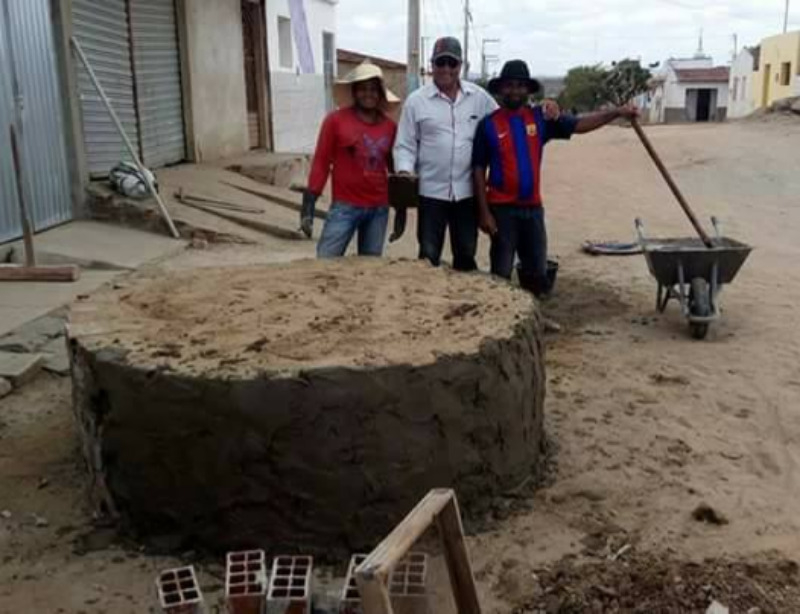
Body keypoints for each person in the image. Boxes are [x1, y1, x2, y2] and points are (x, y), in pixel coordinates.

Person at [472, 59, 638, 296]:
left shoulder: (541, 119)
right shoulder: (487, 125)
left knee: (537, 272)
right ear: (500, 89)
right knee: (501, 272)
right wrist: (484, 213)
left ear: (528, 90)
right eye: (509, 85)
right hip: (501, 211)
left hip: (532, 210)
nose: (514, 90)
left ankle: (534, 312)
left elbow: (579, 125)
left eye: (520, 85)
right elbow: (478, 169)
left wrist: (616, 113)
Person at [392, 37, 498, 271]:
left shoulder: (479, 98)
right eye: (441, 63)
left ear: (461, 65)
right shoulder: (416, 102)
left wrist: (543, 112)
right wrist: (404, 172)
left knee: (466, 254)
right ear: (432, 65)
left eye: (452, 63)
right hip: (430, 193)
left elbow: (503, 121)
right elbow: (406, 145)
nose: (446, 69)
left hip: (466, 194)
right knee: (428, 256)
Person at [302, 61, 400, 258]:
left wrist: (401, 210)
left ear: (380, 94)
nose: (368, 94)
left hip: (378, 209)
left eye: (373, 89)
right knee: (326, 261)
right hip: (344, 207)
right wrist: (309, 203)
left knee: (369, 266)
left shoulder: (390, 128)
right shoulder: (335, 121)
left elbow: (394, 170)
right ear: (354, 92)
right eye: (363, 89)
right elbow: (321, 162)